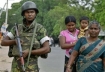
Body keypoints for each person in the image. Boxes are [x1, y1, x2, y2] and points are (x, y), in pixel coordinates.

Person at [1, 1, 50, 72]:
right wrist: (15, 41)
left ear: (35, 13)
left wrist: (30, 52)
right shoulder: (16, 28)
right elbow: (3, 42)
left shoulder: (40, 29)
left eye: (32, 12)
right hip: (16, 66)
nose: (30, 14)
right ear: (23, 13)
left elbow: (47, 48)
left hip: (31, 67)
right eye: (27, 12)